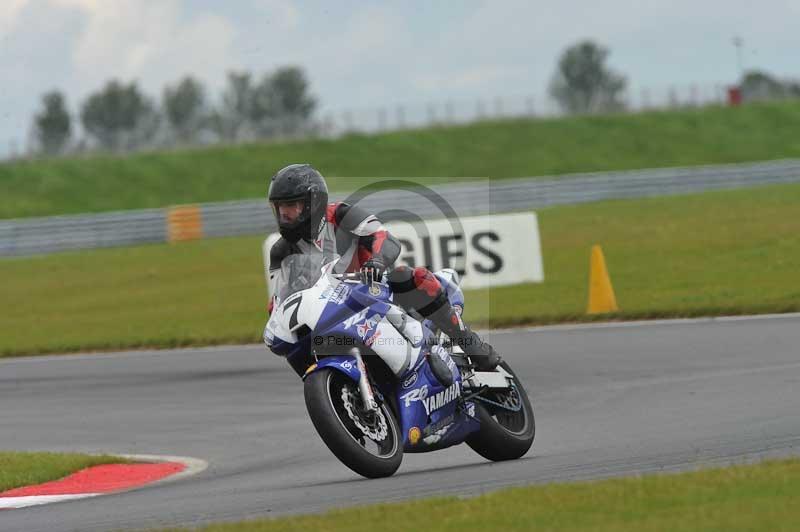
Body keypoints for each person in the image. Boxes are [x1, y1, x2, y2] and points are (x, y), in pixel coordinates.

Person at [265, 163, 500, 382]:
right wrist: (276, 318)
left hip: (373, 288)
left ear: (312, 203)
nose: (284, 216)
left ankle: (471, 344)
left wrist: (376, 262)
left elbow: (385, 238)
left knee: (411, 277)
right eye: (280, 209)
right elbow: (279, 297)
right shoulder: (281, 251)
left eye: (291, 207)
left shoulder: (341, 215)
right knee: (296, 342)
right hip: (331, 307)